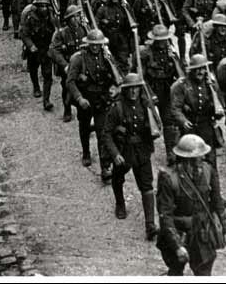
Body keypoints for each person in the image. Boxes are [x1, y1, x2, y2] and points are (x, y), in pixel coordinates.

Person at [156, 134, 226, 276]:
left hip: (202, 232)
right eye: (198, 157)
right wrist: (177, 246)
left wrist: (225, 227)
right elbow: (165, 215)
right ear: (186, 160)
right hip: (178, 232)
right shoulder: (169, 178)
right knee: (176, 271)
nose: (201, 160)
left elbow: (217, 201)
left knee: (204, 271)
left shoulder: (208, 171)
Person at [102, 72, 159, 240]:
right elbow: (106, 134)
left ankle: (150, 225)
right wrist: (115, 154)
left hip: (142, 150)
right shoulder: (117, 108)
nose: (133, 92)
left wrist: (153, 126)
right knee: (118, 178)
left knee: (147, 186)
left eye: (136, 88)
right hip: (124, 150)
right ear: (125, 90)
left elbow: (157, 126)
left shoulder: (145, 104)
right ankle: (120, 203)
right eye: (130, 89)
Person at [66, 28, 120, 182]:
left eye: (98, 44)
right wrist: (79, 98)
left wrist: (114, 89)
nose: (95, 47)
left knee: (103, 132)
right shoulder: (79, 58)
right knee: (84, 126)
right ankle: (86, 152)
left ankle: (105, 167)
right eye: (93, 44)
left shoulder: (106, 57)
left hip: (102, 100)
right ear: (88, 44)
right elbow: (70, 81)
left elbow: (116, 77)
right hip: (85, 99)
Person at [138, 23, 183, 165]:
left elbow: (181, 76)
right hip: (150, 89)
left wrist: (175, 59)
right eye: (160, 40)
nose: (163, 43)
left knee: (169, 122)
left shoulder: (171, 52)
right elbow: (141, 77)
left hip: (167, 90)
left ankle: (171, 152)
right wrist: (150, 94)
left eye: (165, 39)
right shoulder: (145, 54)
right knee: (147, 121)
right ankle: (146, 148)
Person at [48, 4, 87, 121]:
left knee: (83, 90)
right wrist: (65, 65)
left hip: (81, 66)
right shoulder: (61, 33)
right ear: (68, 20)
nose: (77, 19)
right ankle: (67, 109)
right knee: (67, 90)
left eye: (78, 16)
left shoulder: (84, 30)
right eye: (73, 17)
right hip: (68, 67)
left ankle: (83, 114)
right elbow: (54, 51)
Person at [19, 0, 57, 111]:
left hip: (46, 48)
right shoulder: (31, 18)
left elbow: (57, 30)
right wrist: (30, 46)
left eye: (45, 6)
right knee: (33, 69)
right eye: (41, 6)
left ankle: (46, 100)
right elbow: (24, 33)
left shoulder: (51, 17)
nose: (44, 8)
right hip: (34, 49)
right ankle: (36, 86)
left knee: (47, 75)